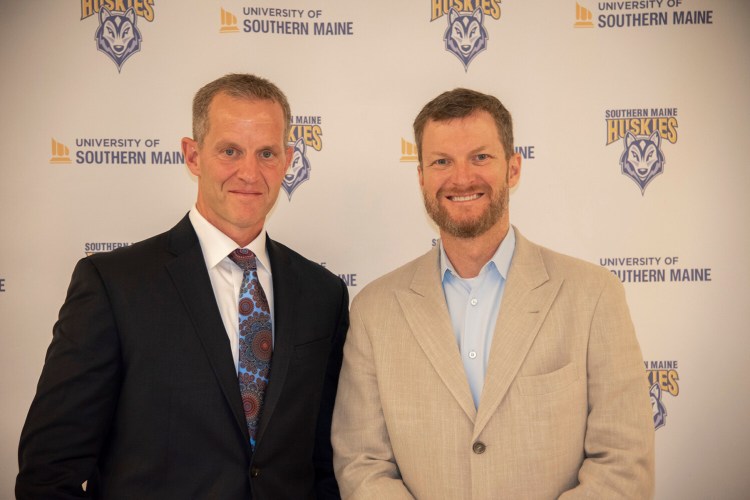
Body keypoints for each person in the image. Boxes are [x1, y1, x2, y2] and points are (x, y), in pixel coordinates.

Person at [17, 74, 349, 499]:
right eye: (230, 150)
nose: (250, 172)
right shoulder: (115, 285)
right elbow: (48, 471)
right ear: (193, 156)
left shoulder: (322, 293)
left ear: (287, 160)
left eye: (266, 153)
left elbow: (327, 463)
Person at [331, 88, 654, 499]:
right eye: (441, 161)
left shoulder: (593, 296)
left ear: (513, 169)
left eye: (480, 157)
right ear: (421, 177)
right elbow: (362, 463)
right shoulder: (374, 311)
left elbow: (624, 461)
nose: (462, 178)